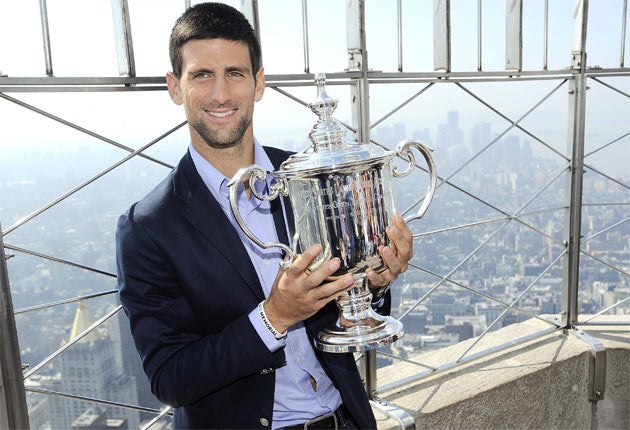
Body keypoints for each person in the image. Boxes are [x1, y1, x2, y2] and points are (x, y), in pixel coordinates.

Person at [116, 2, 413, 429]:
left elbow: (343, 311)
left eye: (234, 73)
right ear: (174, 87)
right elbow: (169, 377)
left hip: (346, 419)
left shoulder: (310, 175)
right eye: (202, 75)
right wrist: (274, 317)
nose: (220, 94)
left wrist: (375, 282)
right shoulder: (147, 227)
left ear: (258, 83)